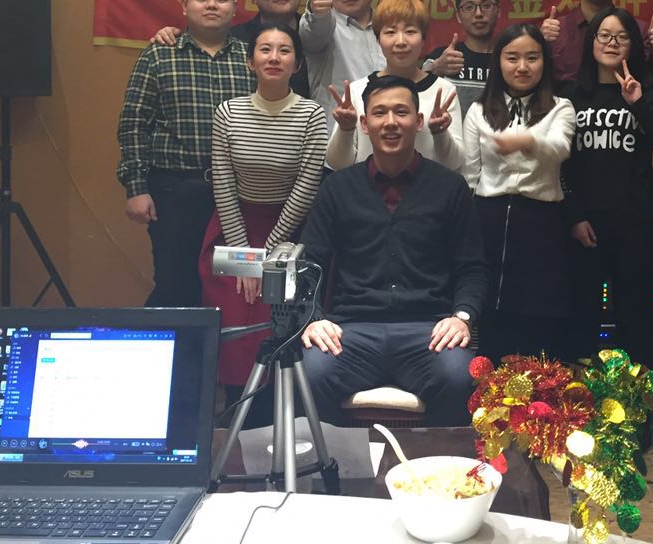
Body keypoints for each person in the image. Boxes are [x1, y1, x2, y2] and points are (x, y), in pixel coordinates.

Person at [299, 75, 488, 426]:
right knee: (310, 373)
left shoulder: (450, 187)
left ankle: (436, 459)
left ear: (418, 122)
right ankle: (337, 460)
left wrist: (461, 317)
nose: (390, 122)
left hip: (429, 330)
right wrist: (312, 319)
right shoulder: (337, 187)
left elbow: (472, 268)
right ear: (364, 124)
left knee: (460, 377)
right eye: (379, 113)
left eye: (401, 112)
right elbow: (310, 263)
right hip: (351, 329)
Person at [198, 22, 327, 394]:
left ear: (296, 64)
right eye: (265, 49)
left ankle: (282, 406)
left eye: (284, 50)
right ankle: (236, 406)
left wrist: (266, 259)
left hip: (289, 233)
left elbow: (306, 188)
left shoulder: (312, 115)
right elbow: (223, 184)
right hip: (234, 225)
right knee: (235, 309)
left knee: (279, 315)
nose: (274, 57)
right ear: (250, 61)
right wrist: (245, 256)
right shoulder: (228, 112)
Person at [116, 0, 255, 306]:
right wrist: (136, 188)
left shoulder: (251, 58)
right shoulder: (159, 54)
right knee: (175, 284)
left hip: (237, 196)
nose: (212, 5)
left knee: (232, 284)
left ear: (234, 7)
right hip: (174, 192)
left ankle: (221, 344)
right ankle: (176, 344)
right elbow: (134, 123)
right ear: (184, 5)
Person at [562, 7, 653, 366]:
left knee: (637, 316)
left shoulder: (648, 92)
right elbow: (557, 164)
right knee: (582, 318)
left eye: (622, 37)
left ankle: (642, 396)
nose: (612, 43)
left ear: (634, 45)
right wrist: (574, 216)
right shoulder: (571, 95)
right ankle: (580, 395)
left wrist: (640, 103)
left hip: (635, 223)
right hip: (585, 225)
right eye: (604, 35)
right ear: (591, 42)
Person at [461, 23, 575, 360]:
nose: (522, 67)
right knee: (492, 314)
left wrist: (527, 141)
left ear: (544, 62)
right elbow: (471, 174)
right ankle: (490, 388)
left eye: (532, 58)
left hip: (542, 220)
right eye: (512, 58)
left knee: (540, 316)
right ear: (498, 62)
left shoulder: (561, 107)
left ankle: (541, 390)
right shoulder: (479, 110)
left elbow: (560, 148)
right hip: (489, 217)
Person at [148, 0, 334, 99]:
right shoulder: (234, 40)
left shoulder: (318, 33)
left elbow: (320, 28)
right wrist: (173, 35)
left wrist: (319, 12)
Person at [325, 0, 463, 172]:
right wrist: (346, 129)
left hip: (427, 187)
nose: (400, 42)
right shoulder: (357, 90)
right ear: (378, 40)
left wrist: (440, 133)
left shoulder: (443, 91)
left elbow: (454, 163)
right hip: (367, 187)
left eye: (410, 32)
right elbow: (338, 164)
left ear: (423, 39)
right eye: (390, 32)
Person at [301, 0, 387, 114]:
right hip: (336, 127)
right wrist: (317, 10)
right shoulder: (326, 25)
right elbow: (313, 31)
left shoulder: (388, 27)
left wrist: (432, 67)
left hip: (386, 125)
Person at [423, 0, 501, 112]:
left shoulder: (510, 57)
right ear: (458, 15)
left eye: (486, 5)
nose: (478, 14)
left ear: (498, 11)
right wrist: (436, 67)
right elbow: (414, 87)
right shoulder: (444, 57)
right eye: (469, 7)